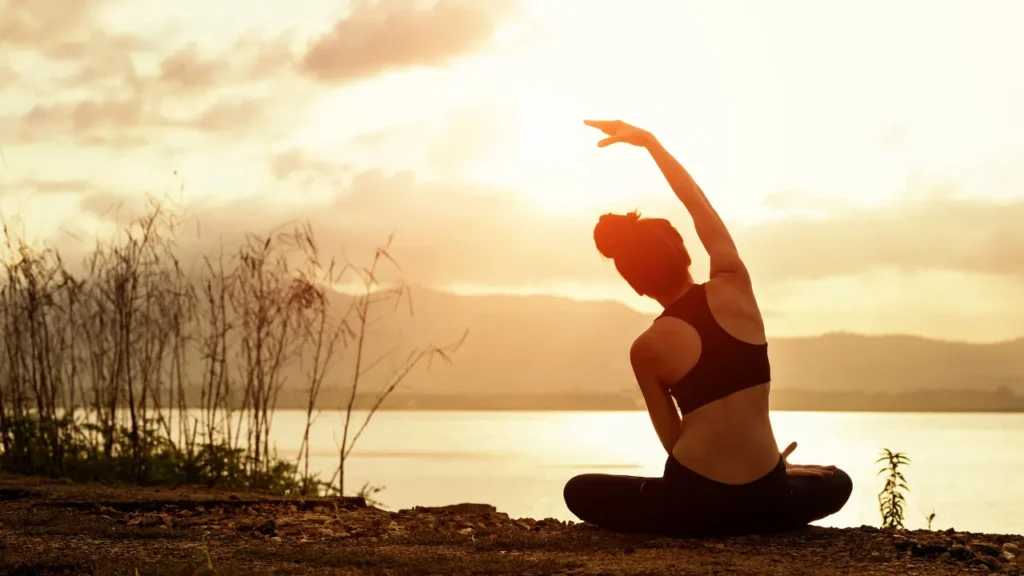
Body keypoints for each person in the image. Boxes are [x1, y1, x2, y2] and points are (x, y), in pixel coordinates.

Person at [563, 119, 853, 537]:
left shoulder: (646, 349)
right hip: (768, 500)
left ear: (636, 285)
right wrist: (650, 143)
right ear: (684, 253)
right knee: (835, 480)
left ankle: (708, 509)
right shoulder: (735, 285)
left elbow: (674, 442)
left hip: (693, 507)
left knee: (581, 490)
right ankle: (772, 488)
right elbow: (697, 202)